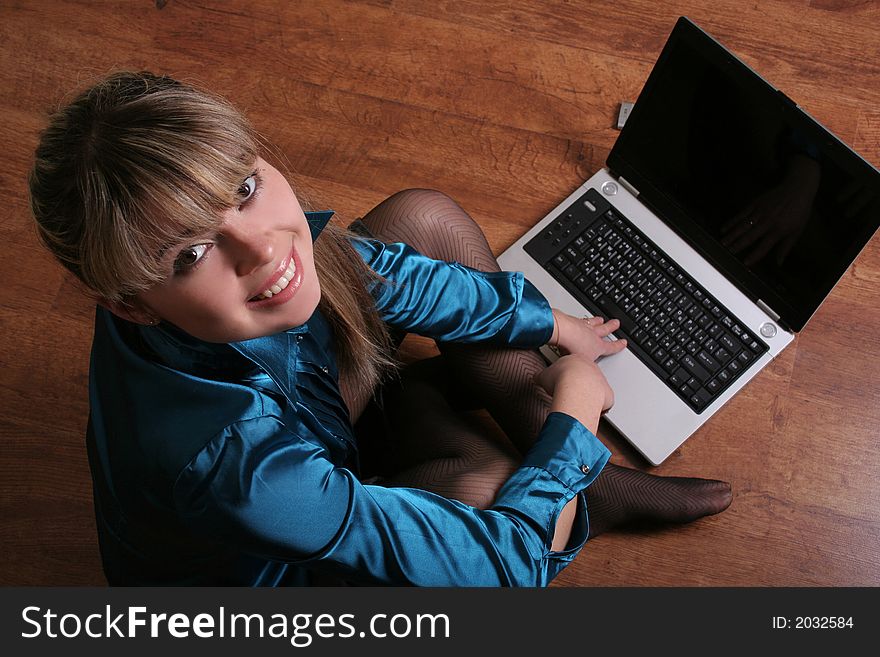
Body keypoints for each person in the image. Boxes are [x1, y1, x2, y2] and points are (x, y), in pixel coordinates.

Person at [28, 72, 731, 586]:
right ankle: (563, 479)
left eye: (241, 187)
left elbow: (386, 268)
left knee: (424, 219)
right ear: (131, 305)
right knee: (486, 489)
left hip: (291, 415)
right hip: (280, 571)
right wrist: (575, 413)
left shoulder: (174, 272)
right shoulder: (233, 471)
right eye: (192, 254)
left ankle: (570, 482)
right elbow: (501, 570)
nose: (266, 247)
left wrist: (553, 322)